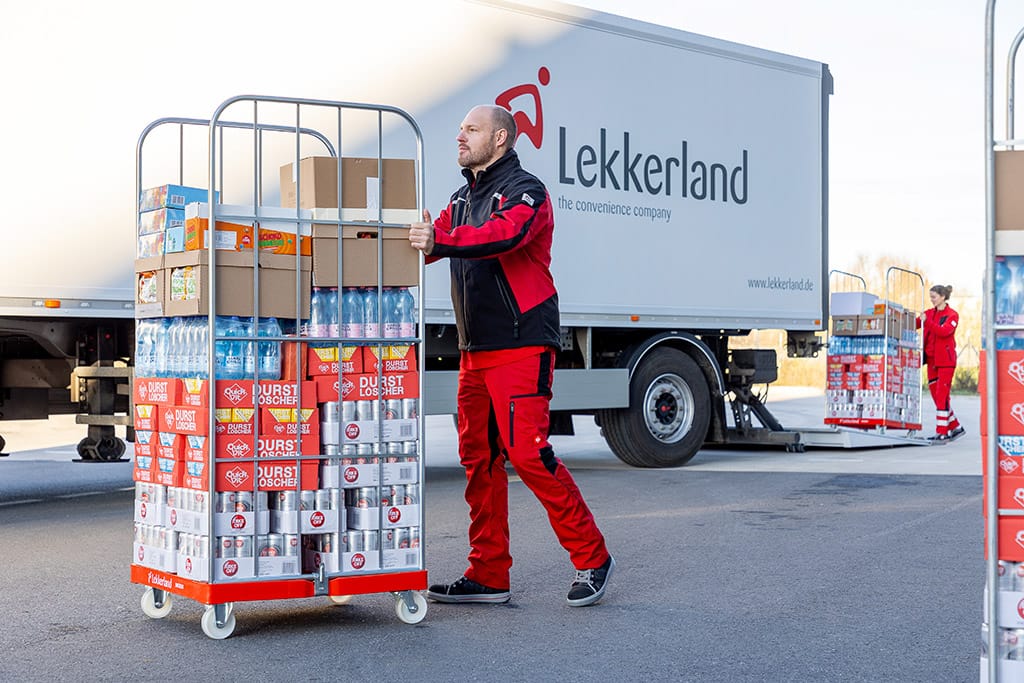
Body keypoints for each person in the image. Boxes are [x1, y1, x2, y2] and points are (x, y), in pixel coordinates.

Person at [408, 104, 613, 607]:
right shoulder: (460, 198)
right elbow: (431, 241)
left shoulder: (527, 191)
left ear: (500, 138)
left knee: (529, 454)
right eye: (459, 129)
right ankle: (488, 573)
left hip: (523, 343)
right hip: (474, 350)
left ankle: (592, 557)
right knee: (477, 459)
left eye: (471, 129)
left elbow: (505, 235)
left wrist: (443, 239)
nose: (460, 135)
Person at [918, 284, 965, 441]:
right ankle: (956, 427)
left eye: (934, 297)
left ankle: (942, 432)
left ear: (942, 297)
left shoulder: (953, 315)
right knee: (936, 396)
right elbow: (915, 323)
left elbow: (945, 332)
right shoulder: (929, 313)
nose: (931, 300)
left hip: (946, 361)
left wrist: (928, 322)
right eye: (930, 297)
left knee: (941, 396)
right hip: (931, 361)